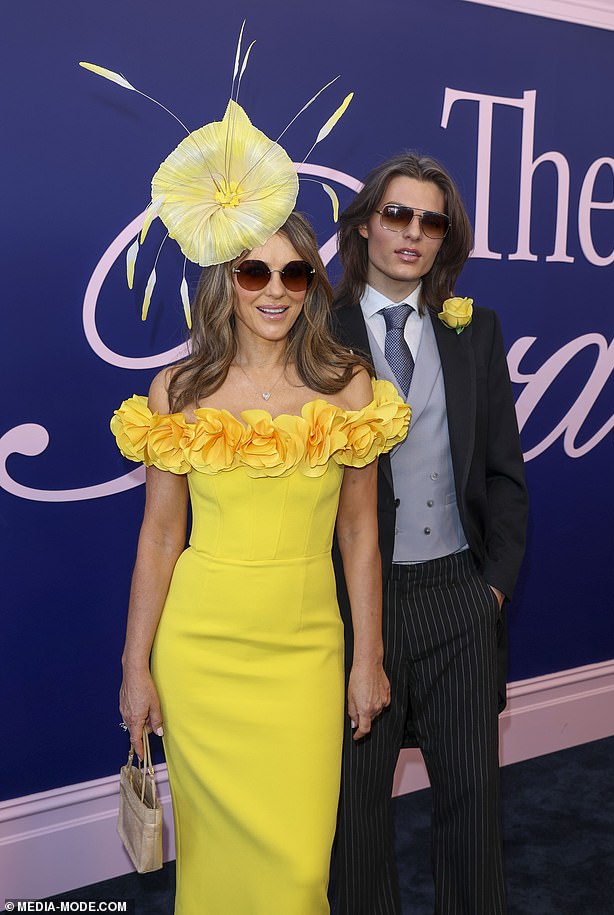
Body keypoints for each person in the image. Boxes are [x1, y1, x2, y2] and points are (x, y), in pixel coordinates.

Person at [113, 211, 410, 913]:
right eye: (254, 271)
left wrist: (368, 657)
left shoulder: (349, 387)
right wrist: (135, 666)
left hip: (304, 649)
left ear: (311, 285)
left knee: (300, 870)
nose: (274, 290)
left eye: (294, 272)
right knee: (215, 873)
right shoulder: (179, 391)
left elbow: (361, 533)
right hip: (201, 654)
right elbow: (159, 537)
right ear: (225, 282)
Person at [329, 152, 529, 915]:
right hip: (357, 607)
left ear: (447, 238)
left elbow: (505, 474)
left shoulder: (476, 331)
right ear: (366, 226)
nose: (414, 233)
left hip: (460, 597)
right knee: (359, 817)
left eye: (432, 220)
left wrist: (493, 589)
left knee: (474, 808)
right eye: (398, 214)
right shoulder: (318, 331)